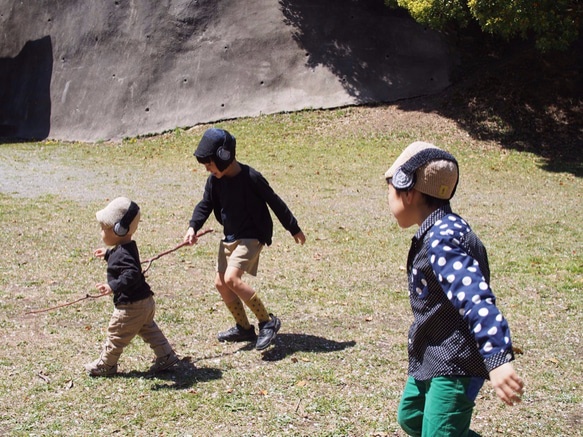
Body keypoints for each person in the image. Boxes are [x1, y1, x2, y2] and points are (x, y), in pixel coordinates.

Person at [384, 142, 524, 436]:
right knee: (412, 418)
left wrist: (498, 358)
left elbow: (476, 299)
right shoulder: (442, 229)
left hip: (456, 359)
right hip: (432, 351)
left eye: (389, 188)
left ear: (407, 191)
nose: (387, 197)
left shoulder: (443, 241)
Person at [184, 128, 305, 351]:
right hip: (230, 237)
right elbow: (205, 205)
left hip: (252, 235)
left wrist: (293, 227)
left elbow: (275, 202)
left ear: (224, 156)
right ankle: (244, 328)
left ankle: (267, 322)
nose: (207, 169)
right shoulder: (214, 181)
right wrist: (193, 226)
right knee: (220, 283)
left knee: (232, 279)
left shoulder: (251, 178)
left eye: (209, 164)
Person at [85, 197, 179, 376]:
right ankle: (166, 355)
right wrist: (107, 254)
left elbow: (132, 273)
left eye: (104, 229)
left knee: (116, 334)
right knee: (148, 329)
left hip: (130, 306)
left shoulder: (123, 254)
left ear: (119, 229)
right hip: (145, 302)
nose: (101, 233)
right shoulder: (126, 247)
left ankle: (107, 364)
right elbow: (122, 259)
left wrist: (112, 286)